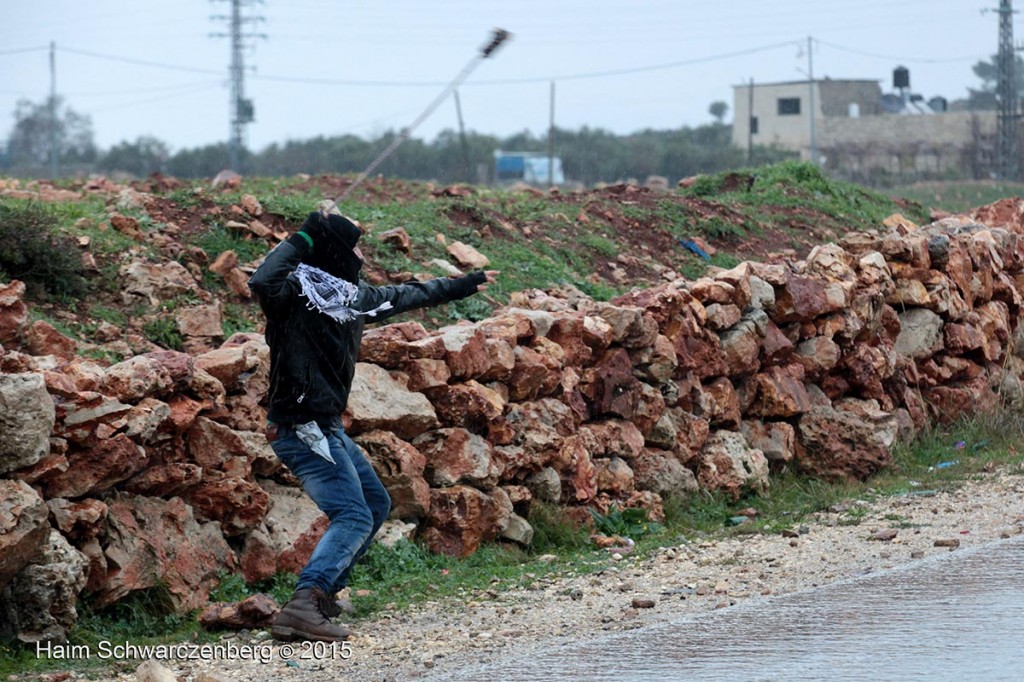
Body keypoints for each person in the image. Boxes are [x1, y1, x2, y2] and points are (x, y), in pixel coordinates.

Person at [248, 209, 497, 642]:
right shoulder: (290, 295)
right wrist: (303, 236)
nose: (361, 254)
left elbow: (409, 295)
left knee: (375, 505)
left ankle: (322, 598)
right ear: (334, 252)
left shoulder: (352, 298)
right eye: (355, 246)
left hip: (326, 426)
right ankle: (305, 604)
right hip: (301, 427)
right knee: (352, 513)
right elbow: (261, 279)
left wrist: (463, 284)